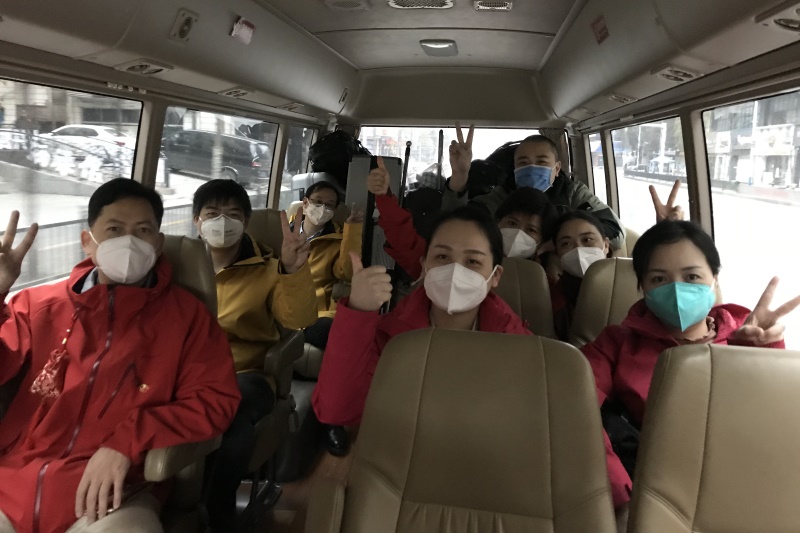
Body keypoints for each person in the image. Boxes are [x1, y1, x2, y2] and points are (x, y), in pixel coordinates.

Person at [0, 179, 241, 533]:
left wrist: (127, 441)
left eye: (143, 230)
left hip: (118, 494)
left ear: (158, 243)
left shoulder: (187, 318)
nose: (129, 241)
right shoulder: (36, 307)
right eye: (114, 229)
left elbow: (215, 400)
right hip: (11, 484)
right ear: (87, 241)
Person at [581, 219, 800, 527]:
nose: (677, 289)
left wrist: (761, 350)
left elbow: (774, 423)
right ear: (642, 287)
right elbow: (572, 408)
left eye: (692, 276)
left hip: (740, 485)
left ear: (714, 279)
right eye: (659, 278)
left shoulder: (747, 337)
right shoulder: (616, 343)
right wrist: (622, 495)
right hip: (646, 485)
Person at [312, 206, 532, 426]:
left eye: (473, 261)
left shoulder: (518, 346)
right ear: (424, 266)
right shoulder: (387, 337)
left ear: (495, 275)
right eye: (442, 256)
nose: (455, 270)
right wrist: (357, 312)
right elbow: (336, 411)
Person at [191, 179, 317, 533]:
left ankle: (218, 510)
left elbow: (299, 318)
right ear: (196, 221)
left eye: (232, 214)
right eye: (212, 213)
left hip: (246, 373)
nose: (222, 222)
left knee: (231, 410)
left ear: (245, 222)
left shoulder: (268, 269)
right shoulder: (180, 266)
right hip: (188, 372)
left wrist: (292, 270)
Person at [442, 123, 625, 250]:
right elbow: (456, 226)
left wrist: (559, 243)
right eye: (523, 162)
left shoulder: (572, 193)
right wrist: (460, 176)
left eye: (541, 162)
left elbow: (614, 232)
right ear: (514, 168)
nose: (531, 168)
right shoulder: (502, 195)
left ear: (557, 168)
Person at [369, 156, 557, 279]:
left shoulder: (544, 280)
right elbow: (404, 240)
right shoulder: (450, 260)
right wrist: (384, 197)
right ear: (497, 223)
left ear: (542, 241)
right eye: (512, 223)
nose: (518, 234)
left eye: (531, 230)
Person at [290, 181, 364, 457]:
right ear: (305, 202)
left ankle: (332, 420)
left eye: (330, 205)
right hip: (282, 309)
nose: (322, 208)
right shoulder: (282, 232)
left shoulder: (336, 239)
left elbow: (347, 273)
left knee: (339, 337)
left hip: (316, 314)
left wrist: (352, 231)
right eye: (318, 201)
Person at [548, 210, 611, 340]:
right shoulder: (552, 300)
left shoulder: (632, 284)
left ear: (606, 245)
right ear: (557, 253)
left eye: (587, 240)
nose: (578, 249)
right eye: (566, 244)